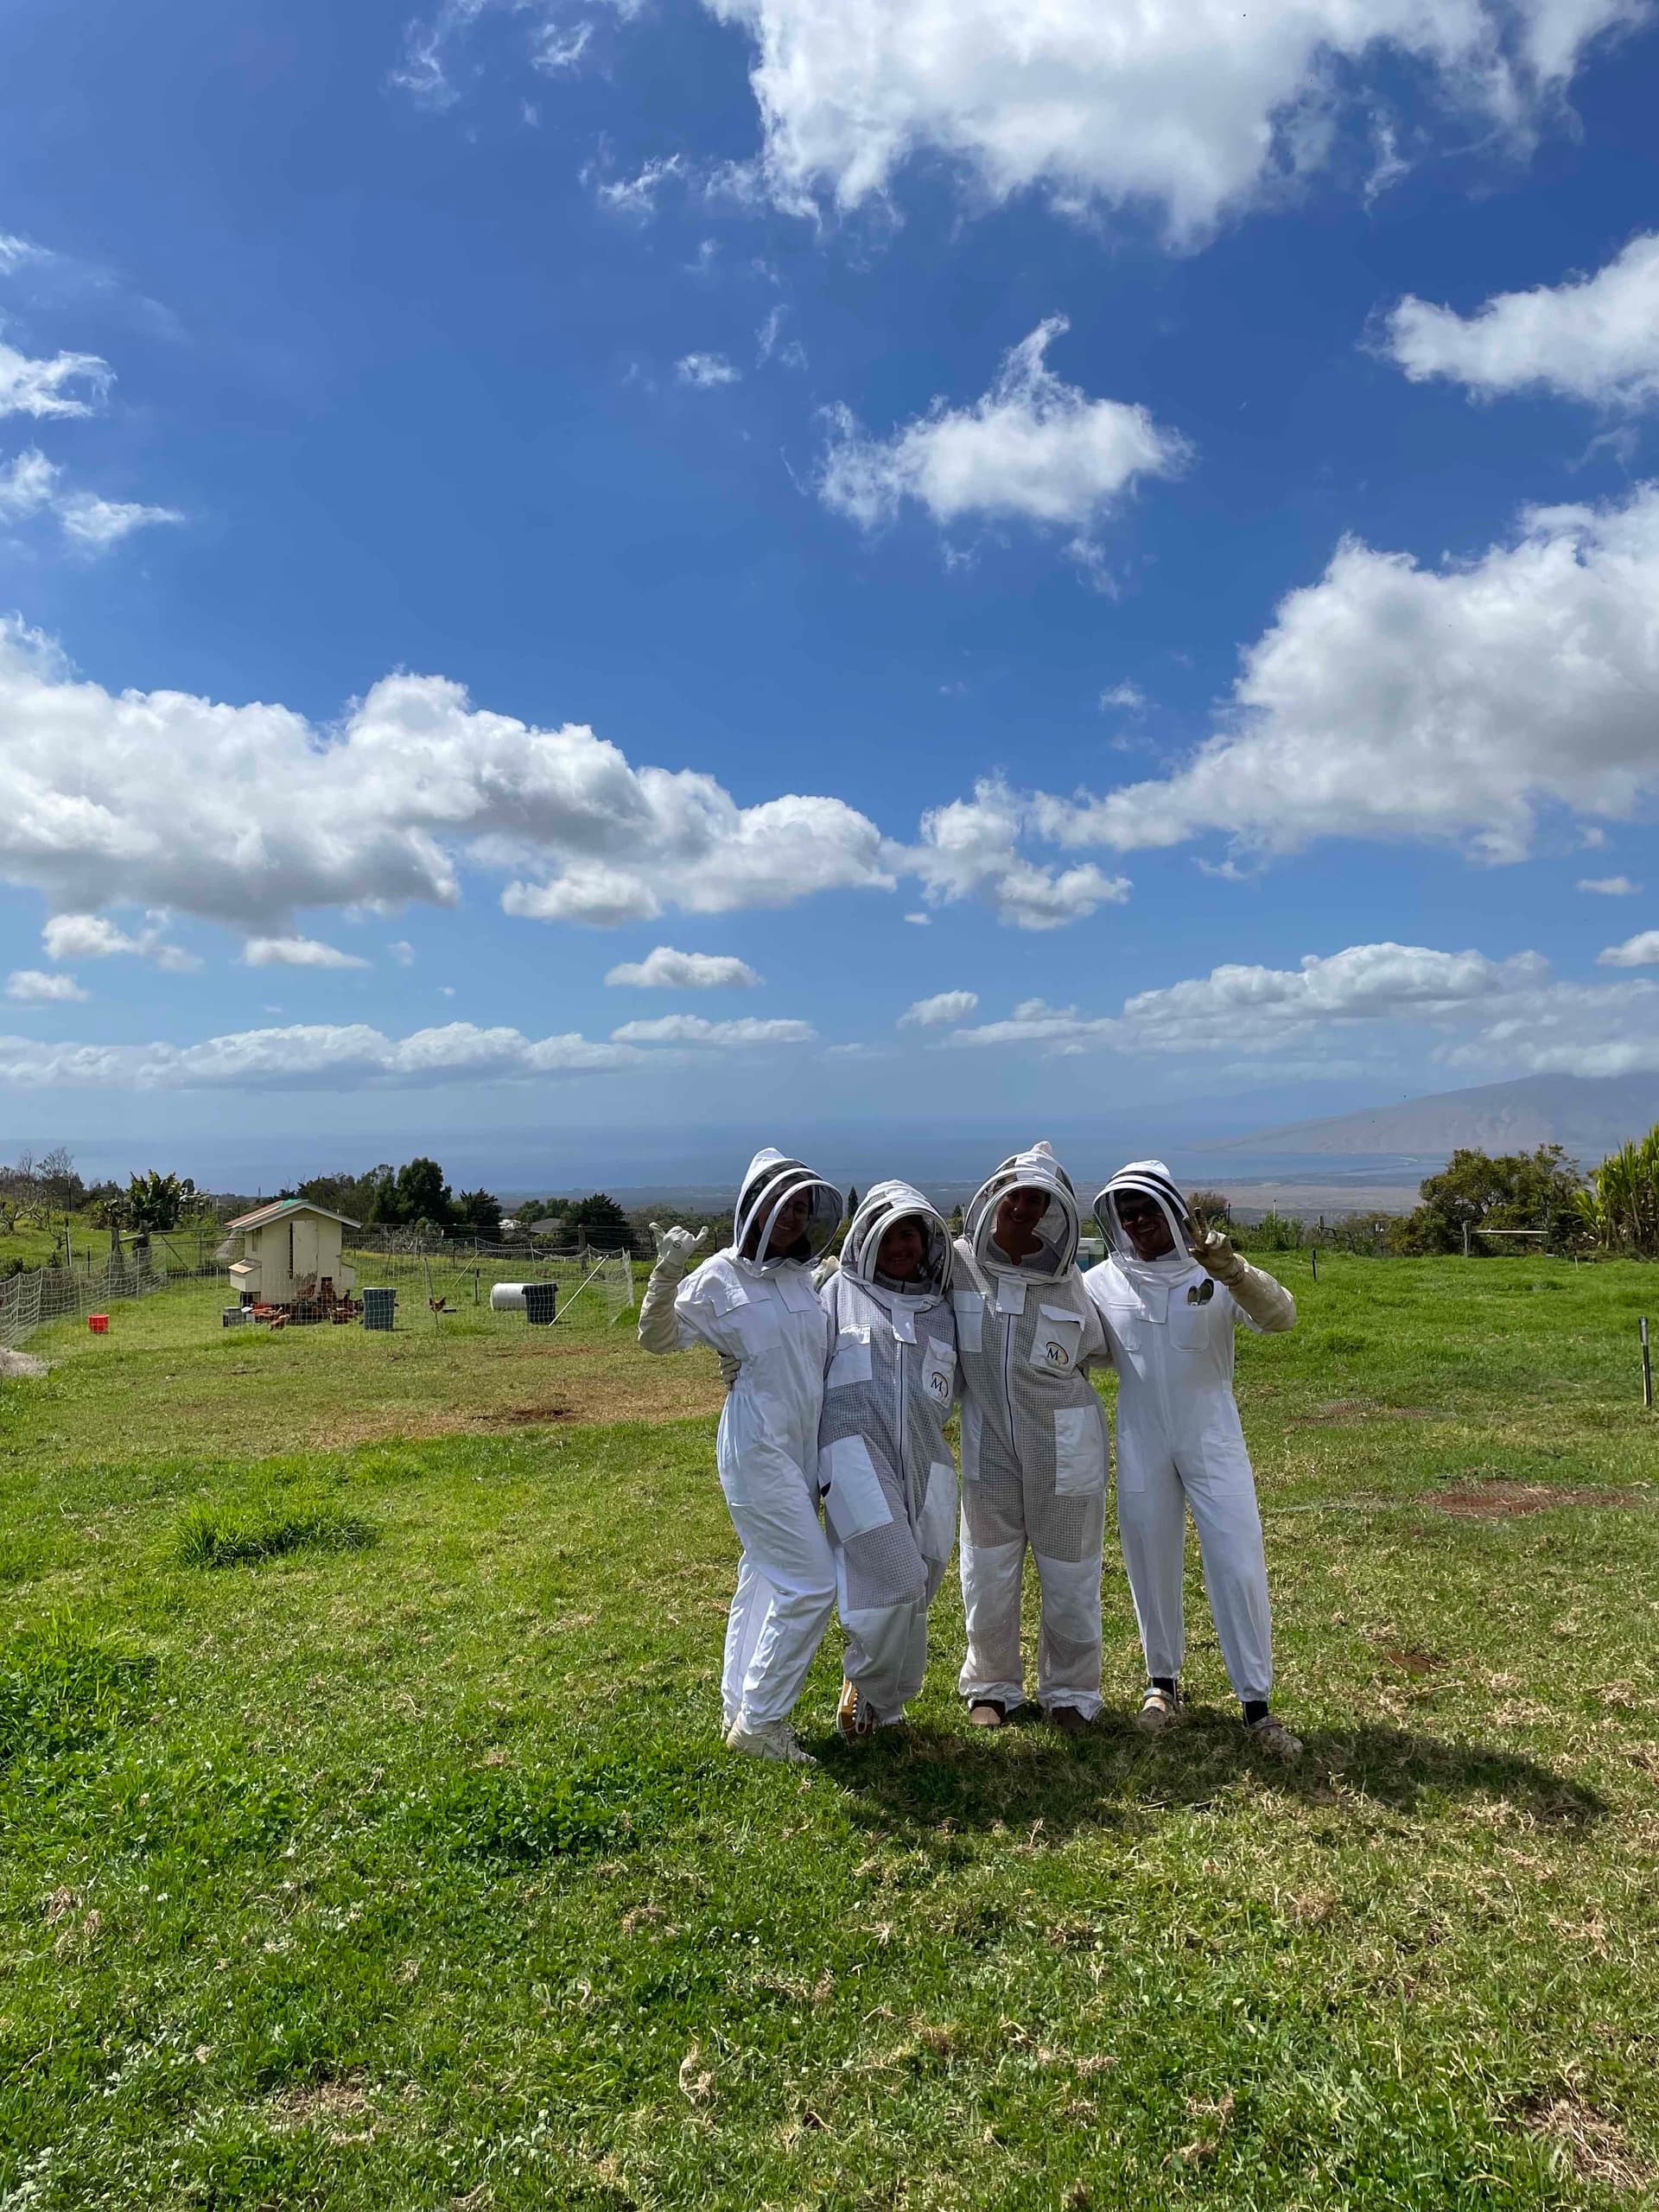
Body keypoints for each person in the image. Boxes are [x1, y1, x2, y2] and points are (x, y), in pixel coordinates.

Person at [1086, 1160, 1302, 1758]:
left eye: (1148, 1210)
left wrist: (1233, 1271)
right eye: (1127, 1213)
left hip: (1213, 1433)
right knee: (1149, 1556)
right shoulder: (1102, 1281)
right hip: (1139, 1437)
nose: (1137, 1222)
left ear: (1174, 1213)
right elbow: (1076, 1341)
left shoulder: (1211, 1269)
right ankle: (1163, 1684)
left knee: (1236, 1558)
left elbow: (1281, 1317)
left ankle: (1256, 1704)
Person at [639, 1148, 844, 1766]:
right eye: (785, 1205)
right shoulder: (720, 1275)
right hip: (756, 1446)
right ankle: (763, 1720)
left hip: (802, 1443)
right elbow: (658, 1339)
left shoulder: (799, 1277)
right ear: (756, 1207)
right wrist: (666, 1274)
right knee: (811, 1584)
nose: (795, 1217)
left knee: (764, 1576)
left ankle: (740, 1705)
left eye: (804, 1208)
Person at [951, 1141, 1109, 1736]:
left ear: (1053, 1211)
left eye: (1036, 1201)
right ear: (994, 1199)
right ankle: (991, 1686)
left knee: (1070, 1574)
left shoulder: (1072, 1282)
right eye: (1016, 1196)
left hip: (1065, 1453)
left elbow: (1101, 1348)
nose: (1023, 1208)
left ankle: (1071, 1690)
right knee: (986, 1572)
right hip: (989, 1450)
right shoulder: (960, 1267)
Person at [818, 1182, 960, 1741]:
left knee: (922, 1579)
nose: (901, 1246)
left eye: (911, 1235)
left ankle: (888, 1705)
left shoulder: (943, 1311)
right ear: (868, 1239)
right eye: (891, 1234)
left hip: (927, 1459)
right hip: (853, 1456)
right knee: (893, 1581)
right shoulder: (835, 1294)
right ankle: (865, 1684)